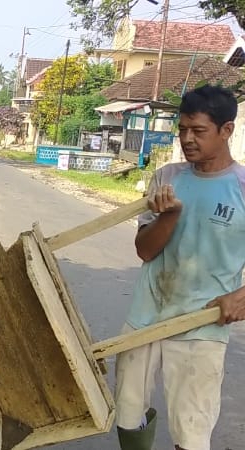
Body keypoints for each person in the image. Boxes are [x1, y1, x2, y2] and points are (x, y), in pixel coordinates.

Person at [114, 85, 245, 450]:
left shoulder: (242, 188)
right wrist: (169, 216)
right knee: (126, 414)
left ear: (227, 130)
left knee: (191, 428)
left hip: (201, 325)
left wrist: (241, 295)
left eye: (198, 131)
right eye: (182, 129)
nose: (187, 139)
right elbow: (145, 251)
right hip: (145, 316)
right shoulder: (167, 179)